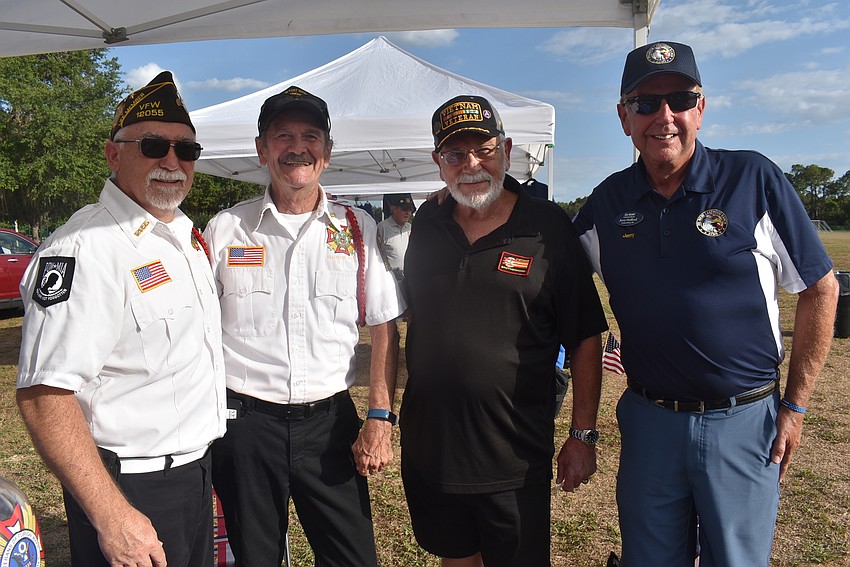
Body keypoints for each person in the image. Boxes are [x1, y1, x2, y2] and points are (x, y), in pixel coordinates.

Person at [573, 41, 839, 566]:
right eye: (645, 104)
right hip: (650, 422)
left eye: (679, 98)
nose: (663, 117)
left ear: (701, 106)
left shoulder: (752, 180)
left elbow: (820, 287)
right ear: (624, 117)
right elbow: (543, 271)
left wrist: (795, 405)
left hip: (745, 421)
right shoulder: (606, 203)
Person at [15, 71, 226, 566]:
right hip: (130, 488)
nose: (172, 162)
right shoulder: (83, 248)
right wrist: (111, 515)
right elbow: (46, 396)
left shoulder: (180, 237)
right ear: (113, 155)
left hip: (193, 475)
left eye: (187, 150)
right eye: (154, 146)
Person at [400, 95, 608, 567]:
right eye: (455, 154)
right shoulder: (427, 224)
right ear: (439, 164)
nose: (471, 165)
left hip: (512, 459)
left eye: (484, 150)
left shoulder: (547, 227)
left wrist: (584, 434)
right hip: (432, 454)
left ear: (507, 150)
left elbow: (585, 337)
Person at [203, 85, 405, 566]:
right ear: (261, 149)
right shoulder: (226, 229)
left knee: (353, 558)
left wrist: (379, 416)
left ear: (328, 152)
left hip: (330, 426)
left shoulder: (357, 227)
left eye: (311, 136)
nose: (298, 147)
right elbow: (200, 332)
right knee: (256, 558)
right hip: (245, 428)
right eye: (283, 135)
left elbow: (383, 324)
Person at [377, 192, 415, 284]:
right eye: (404, 209)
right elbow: (376, 254)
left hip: (409, 278)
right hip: (390, 279)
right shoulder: (382, 228)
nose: (408, 213)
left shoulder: (410, 227)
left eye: (410, 209)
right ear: (393, 209)